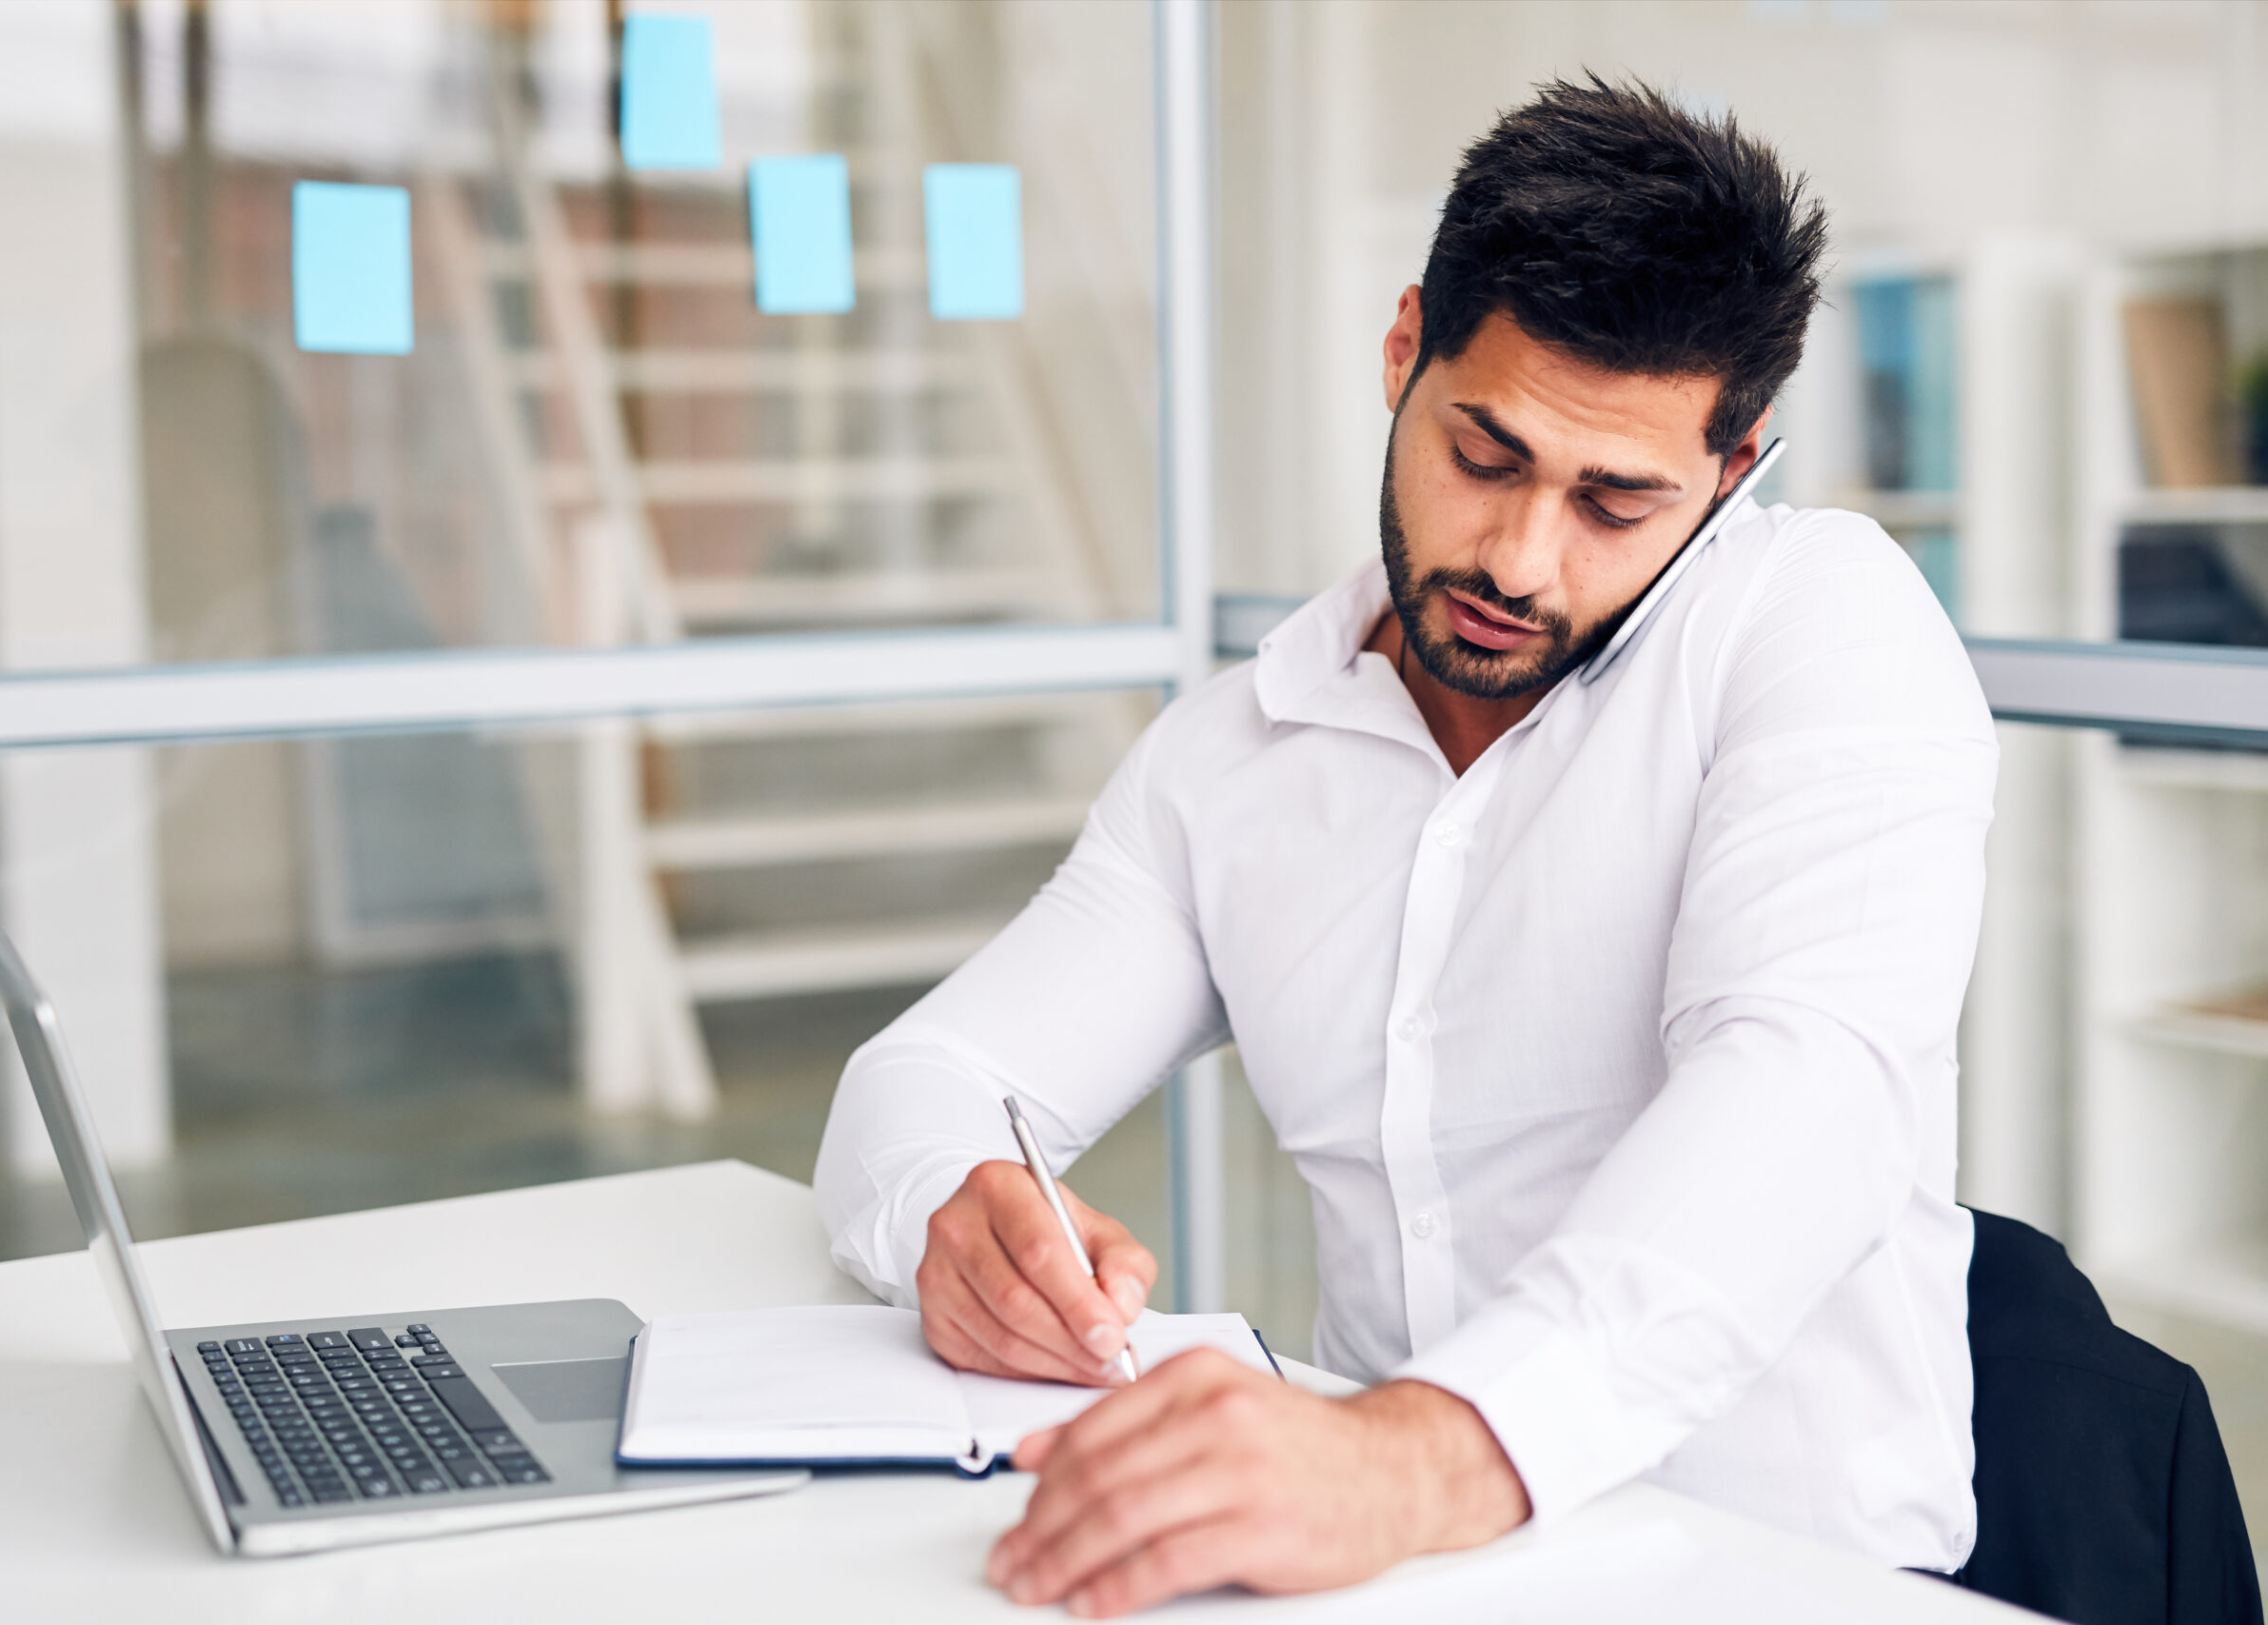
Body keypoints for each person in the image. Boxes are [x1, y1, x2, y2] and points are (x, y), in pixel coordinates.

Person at [814, 74, 1994, 1617]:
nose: (1519, 559)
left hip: (1779, 1579)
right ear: (1401, 354)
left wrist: (1409, 1457)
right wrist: (955, 1211)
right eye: (1486, 455)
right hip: (1386, 1580)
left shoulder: (1822, 624)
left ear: (1735, 464)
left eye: (1616, 502)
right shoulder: (1236, 760)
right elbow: (913, 1089)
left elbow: (1808, 1094)